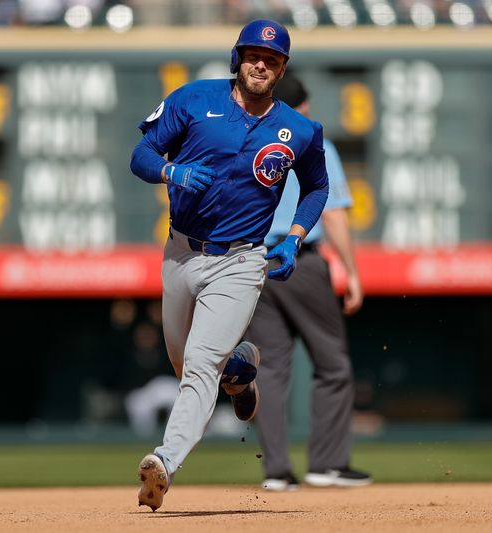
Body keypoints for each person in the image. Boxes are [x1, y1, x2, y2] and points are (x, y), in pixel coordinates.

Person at [128, 19, 330, 511]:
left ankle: (163, 463)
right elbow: (142, 153)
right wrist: (170, 169)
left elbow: (317, 186)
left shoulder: (299, 130)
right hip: (181, 251)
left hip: (241, 260)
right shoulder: (193, 99)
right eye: (254, 55)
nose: (262, 64)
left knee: (199, 366)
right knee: (185, 364)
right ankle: (241, 373)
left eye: (273, 59)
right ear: (238, 57)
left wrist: (295, 236)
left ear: (282, 69)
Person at [244, 74, 371, 491]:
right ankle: (328, 464)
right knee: (333, 364)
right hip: (298, 258)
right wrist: (351, 272)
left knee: (271, 369)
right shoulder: (312, 140)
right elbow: (331, 213)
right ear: (298, 109)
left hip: (251, 261)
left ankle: (277, 471)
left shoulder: (246, 139)